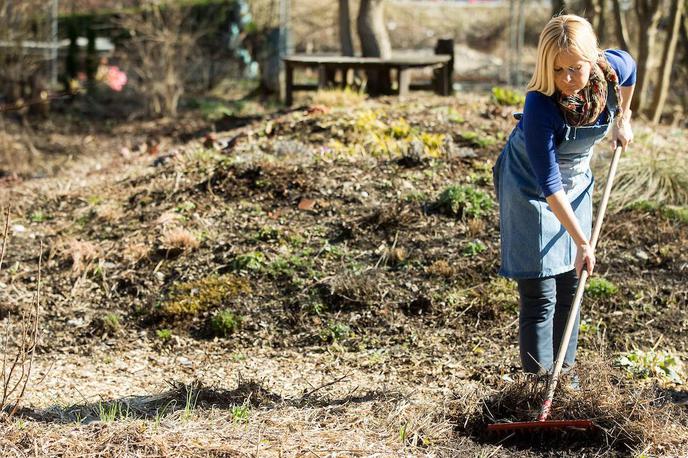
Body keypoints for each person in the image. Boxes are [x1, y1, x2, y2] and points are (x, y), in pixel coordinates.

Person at [492, 15, 636, 375]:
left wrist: (623, 119)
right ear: (546, 66)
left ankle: (563, 380)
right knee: (541, 294)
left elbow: (631, 69)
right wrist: (583, 242)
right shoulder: (540, 105)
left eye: (576, 68)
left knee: (573, 286)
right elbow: (549, 186)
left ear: (593, 59)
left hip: (575, 182)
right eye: (558, 70)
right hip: (530, 186)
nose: (568, 80)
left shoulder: (610, 71)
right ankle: (536, 386)